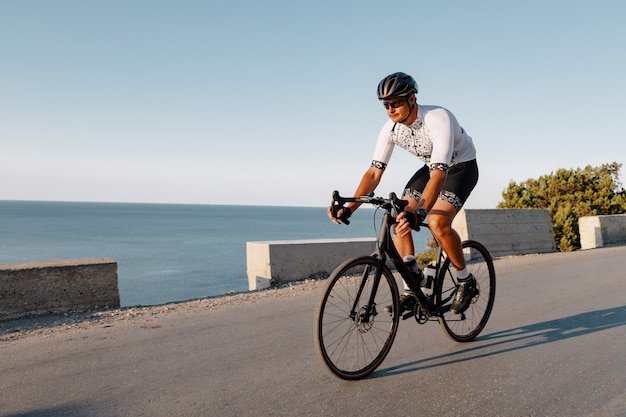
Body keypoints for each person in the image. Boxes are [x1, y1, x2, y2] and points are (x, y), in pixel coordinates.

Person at [327, 71, 479, 316]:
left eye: (396, 102)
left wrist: (419, 214)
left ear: (411, 100)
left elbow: (440, 175)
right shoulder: (390, 129)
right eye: (386, 105)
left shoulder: (438, 118)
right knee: (398, 215)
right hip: (431, 168)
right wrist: (349, 208)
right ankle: (412, 284)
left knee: (437, 222)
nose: (390, 109)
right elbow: (374, 173)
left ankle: (465, 280)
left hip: (460, 167)